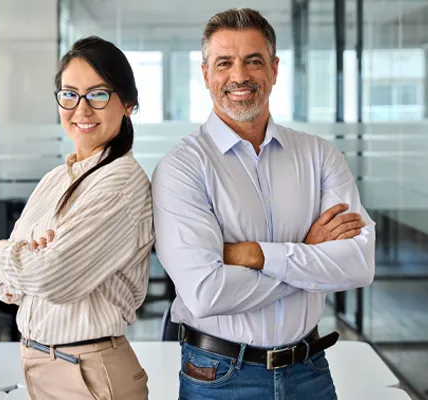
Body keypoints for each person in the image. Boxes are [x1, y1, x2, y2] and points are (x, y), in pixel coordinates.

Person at [152, 8, 375, 400]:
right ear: (206, 75)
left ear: (274, 69)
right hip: (218, 378)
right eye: (224, 63)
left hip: (310, 371)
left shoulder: (319, 156)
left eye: (253, 61)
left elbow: (357, 264)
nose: (239, 76)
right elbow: (206, 293)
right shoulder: (182, 167)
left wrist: (254, 254)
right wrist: (308, 254)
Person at [0, 36, 153, 400]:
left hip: (87, 371)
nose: (81, 108)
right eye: (69, 94)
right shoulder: (55, 180)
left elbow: (53, 278)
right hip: (40, 362)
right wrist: (27, 261)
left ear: (127, 104)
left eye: (98, 94)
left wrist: (3, 251)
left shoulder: (121, 182)